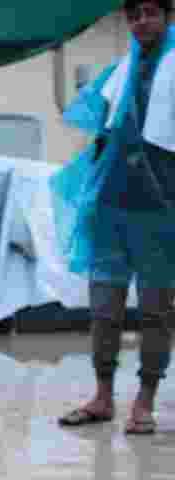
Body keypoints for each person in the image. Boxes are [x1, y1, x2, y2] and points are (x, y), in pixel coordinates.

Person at [55, 0, 175, 435]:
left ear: (168, 15)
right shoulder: (119, 73)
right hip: (111, 212)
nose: (142, 22)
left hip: (163, 216)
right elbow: (104, 134)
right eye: (134, 15)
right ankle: (102, 397)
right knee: (104, 310)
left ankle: (144, 403)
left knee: (156, 314)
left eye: (151, 12)